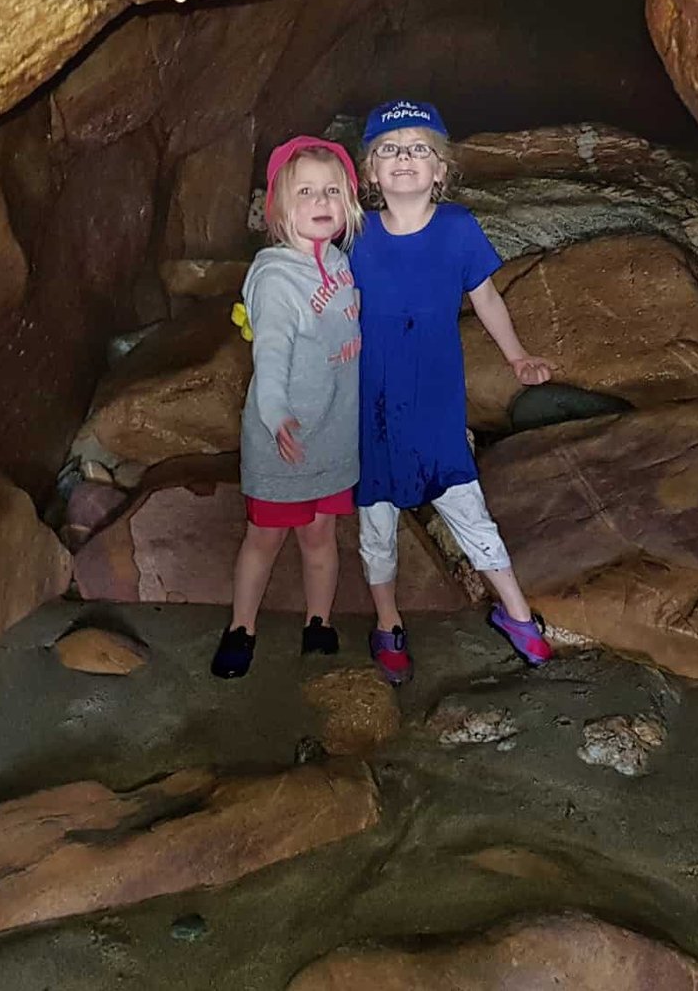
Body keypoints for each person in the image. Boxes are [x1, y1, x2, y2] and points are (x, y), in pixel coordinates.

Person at [350, 99, 555, 685]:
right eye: (389, 150)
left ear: (441, 169)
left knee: (468, 507)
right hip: (373, 405)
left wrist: (517, 357)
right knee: (377, 524)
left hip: (435, 400)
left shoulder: (458, 227)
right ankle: (387, 622)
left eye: (419, 149)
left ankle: (516, 615)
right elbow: (335, 304)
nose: (404, 159)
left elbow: (485, 297)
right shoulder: (356, 235)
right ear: (370, 173)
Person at [211, 136, 364, 679]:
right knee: (265, 537)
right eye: (306, 192)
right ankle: (241, 627)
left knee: (321, 535)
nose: (321, 201)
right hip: (285, 436)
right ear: (279, 206)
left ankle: (317, 622)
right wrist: (276, 413)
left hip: (332, 431)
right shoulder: (276, 277)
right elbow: (270, 354)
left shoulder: (342, 264)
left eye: (332, 190)